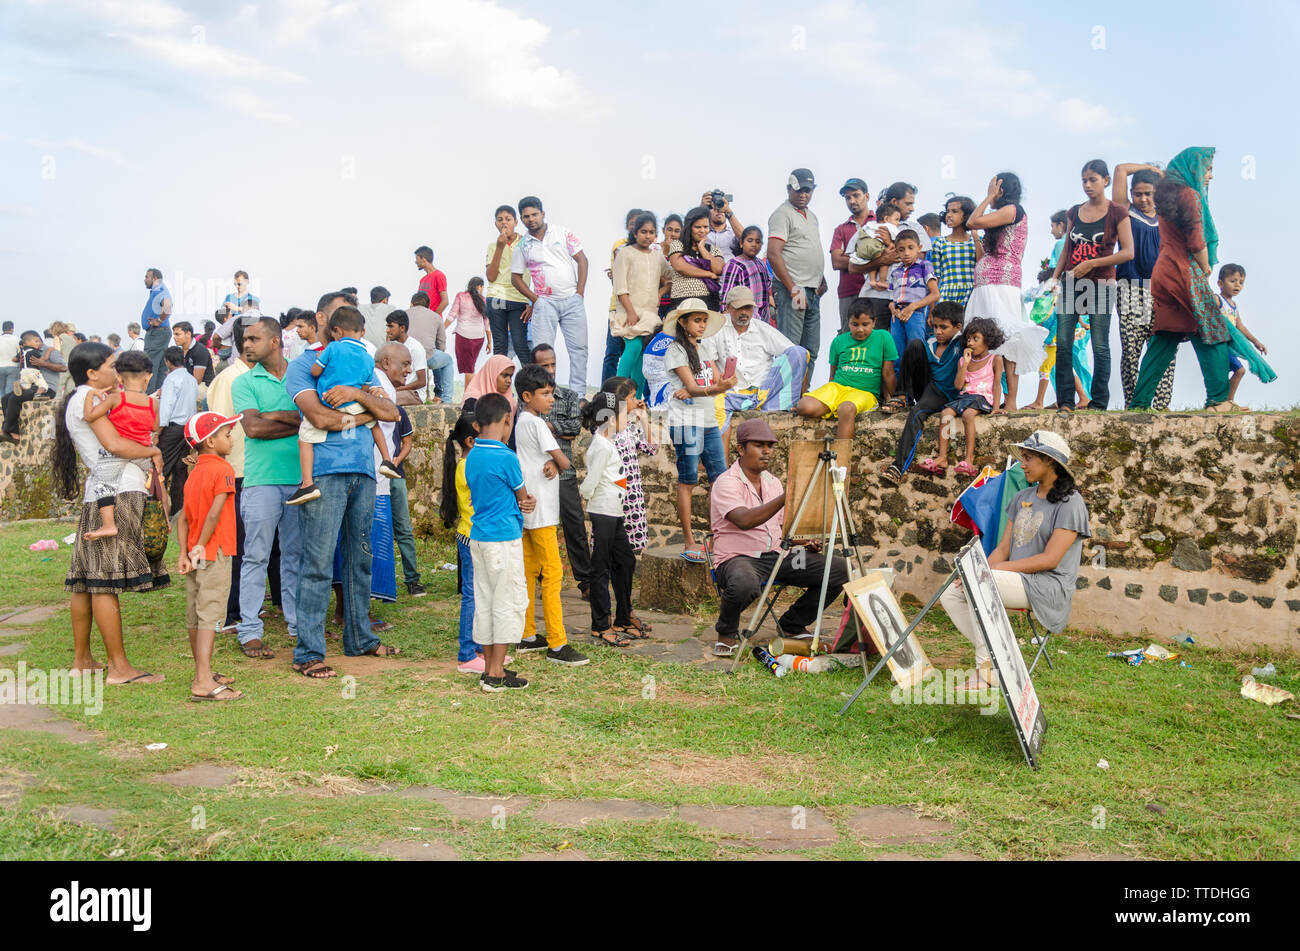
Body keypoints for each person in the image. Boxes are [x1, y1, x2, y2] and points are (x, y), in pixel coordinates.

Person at [287, 291, 402, 679]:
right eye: (338, 316)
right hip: (325, 473)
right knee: (318, 563)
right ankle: (308, 653)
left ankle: (360, 639)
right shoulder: (302, 367)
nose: (347, 327)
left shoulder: (360, 365)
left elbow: (392, 412)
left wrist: (355, 394)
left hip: (363, 473)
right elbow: (319, 418)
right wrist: (363, 413)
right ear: (323, 321)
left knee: (360, 557)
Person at [53, 342, 169, 686]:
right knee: (103, 581)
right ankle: (119, 668)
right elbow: (116, 445)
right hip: (120, 489)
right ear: (92, 373)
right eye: (110, 365)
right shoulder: (92, 401)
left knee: (87, 579)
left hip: (101, 492)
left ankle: (83, 660)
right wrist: (153, 450)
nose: (116, 371)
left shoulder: (86, 399)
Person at [939, 431, 1090, 692]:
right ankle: (1002, 654)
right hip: (1012, 579)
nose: (1022, 464)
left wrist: (990, 571)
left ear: (1050, 461)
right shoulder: (1022, 498)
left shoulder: (1071, 503)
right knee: (950, 593)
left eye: (1029, 458)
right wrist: (980, 569)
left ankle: (986, 671)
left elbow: (1050, 559)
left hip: (1048, 587)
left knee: (983, 582)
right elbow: (1003, 549)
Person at [709, 418, 850, 657]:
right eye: (759, 445)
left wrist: (803, 542)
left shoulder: (773, 482)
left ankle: (792, 624)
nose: (766, 451)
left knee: (839, 569)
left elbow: (782, 529)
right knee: (745, 582)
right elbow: (744, 520)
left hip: (778, 556)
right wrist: (789, 495)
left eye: (770, 446)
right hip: (738, 558)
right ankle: (727, 631)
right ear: (741, 449)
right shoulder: (726, 482)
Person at [1129, 147, 1236, 411]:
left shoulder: (1167, 195)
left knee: (1165, 337)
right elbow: (1197, 241)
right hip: (1184, 272)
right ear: (1193, 168)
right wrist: (1204, 268)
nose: (1210, 175)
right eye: (1207, 169)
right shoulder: (1190, 195)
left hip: (1163, 272)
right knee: (1212, 331)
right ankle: (1219, 400)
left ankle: (1140, 403)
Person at [231, 316, 302, 661]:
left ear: (274, 342)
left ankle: (297, 625)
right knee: (256, 556)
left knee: (295, 556)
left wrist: (273, 415)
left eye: (254, 339)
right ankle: (249, 630)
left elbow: (312, 419)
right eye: (245, 339)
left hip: (301, 479)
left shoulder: (300, 374)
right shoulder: (244, 382)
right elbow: (254, 429)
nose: (246, 345)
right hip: (261, 481)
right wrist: (294, 419)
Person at [513, 364, 589, 665]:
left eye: (552, 394)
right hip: (542, 510)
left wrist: (554, 463)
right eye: (545, 395)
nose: (551, 400)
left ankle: (528, 634)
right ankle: (557, 643)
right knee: (553, 574)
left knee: (530, 571)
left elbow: (550, 461)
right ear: (527, 396)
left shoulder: (522, 421)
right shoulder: (536, 423)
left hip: (532, 508)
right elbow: (564, 460)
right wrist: (558, 462)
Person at [291, 306, 401, 506]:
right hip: (357, 406)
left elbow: (315, 373)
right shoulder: (368, 358)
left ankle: (307, 484)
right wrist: (359, 397)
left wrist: (319, 364)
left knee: (305, 437)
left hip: (331, 403)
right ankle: (386, 460)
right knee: (374, 423)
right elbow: (368, 388)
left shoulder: (332, 348)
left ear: (337, 331)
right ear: (363, 332)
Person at [1049, 160, 1135, 412]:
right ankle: (1065, 401)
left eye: (1093, 179)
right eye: (1084, 180)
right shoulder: (1074, 212)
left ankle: (1098, 402)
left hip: (1101, 284)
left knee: (1099, 345)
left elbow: (1128, 252)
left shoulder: (1118, 212)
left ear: (1106, 180)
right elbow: (1068, 247)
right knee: (1063, 344)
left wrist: (1093, 263)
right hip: (1071, 283)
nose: (1088, 185)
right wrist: (1055, 278)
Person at [465, 392, 534, 691]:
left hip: (479, 536)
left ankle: (491, 666)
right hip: (503, 538)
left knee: (486, 602)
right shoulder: (507, 457)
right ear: (508, 419)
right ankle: (495, 673)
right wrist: (528, 502)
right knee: (507, 603)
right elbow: (523, 497)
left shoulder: (473, 455)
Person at [176, 410, 245, 701]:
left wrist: (186, 552)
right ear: (210, 442)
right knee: (210, 614)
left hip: (195, 553)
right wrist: (202, 546)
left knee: (196, 612)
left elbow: (181, 518)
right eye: (226, 435)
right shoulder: (223, 469)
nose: (231, 439)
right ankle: (203, 682)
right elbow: (215, 512)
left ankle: (201, 672)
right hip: (213, 551)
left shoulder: (194, 472)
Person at [965, 173, 1045, 411]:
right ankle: (987, 394)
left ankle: (1010, 400)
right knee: (986, 340)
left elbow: (972, 221)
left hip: (1001, 282)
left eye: (992, 186)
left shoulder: (1012, 209)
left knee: (1008, 340)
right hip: (986, 284)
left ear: (1001, 188)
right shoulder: (1002, 215)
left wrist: (990, 196)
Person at [663, 299, 734, 563]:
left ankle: (719, 535)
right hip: (686, 422)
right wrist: (712, 389)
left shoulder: (704, 349)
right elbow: (696, 386)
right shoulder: (676, 351)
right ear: (683, 322)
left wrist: (724, 382)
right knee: (688, 480)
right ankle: (689, 539)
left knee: (720, 479)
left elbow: (717, 381)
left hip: (707, 421)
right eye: (697, 320)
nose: (702, 325)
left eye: (704, 320)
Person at [510, 196, 589, 395]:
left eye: (535, 214)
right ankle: (545, 394)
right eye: (526, 216)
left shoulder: (562, 233)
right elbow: (515, 277)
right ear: (521, 219)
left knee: (579, 350)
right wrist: (536, 299)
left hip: (572, 299)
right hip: (545, 304)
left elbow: (582, 260)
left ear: (543, 214)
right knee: (542, 352)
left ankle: (578, 395)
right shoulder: (522, 245)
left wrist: (580, 293)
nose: (531, 219)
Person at [532, 344, 593, 601]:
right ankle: (538, 577)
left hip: (564, 472)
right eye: (544, 366)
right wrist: (558, 429)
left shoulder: (567, 396)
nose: (550, 370)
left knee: (575, 527)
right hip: (535, 474)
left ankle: (586, 582)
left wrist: (547, 425)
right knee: (537, 526)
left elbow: (574, 429)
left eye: (553, 364)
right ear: (535, 367)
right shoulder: (529, 396)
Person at [580, 379, 638, 649]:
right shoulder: (601, 446)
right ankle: (600, 625)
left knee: (625, 561)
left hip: (614, 513)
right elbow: (590, 483)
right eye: (624, 414)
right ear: (610, 419)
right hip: (603, 511)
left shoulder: (607, 443)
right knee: (600, 569)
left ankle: (623, 616)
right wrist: (592, 496)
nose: (627, 418)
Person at [79, 349, 158, 541]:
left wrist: (90, 396)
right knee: (156, 482)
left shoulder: (116, 399)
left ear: (119, 378)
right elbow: (155, 427)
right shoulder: (153, 403)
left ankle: (108, 525)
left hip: (117, 454)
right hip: (143, 453)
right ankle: (162, 514)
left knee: (102, 484)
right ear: (147, 378)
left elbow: (90, 416)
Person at [881, 301, 965, 484]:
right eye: (935, 326)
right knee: (914, 345)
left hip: (947, 393)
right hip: (929, 387)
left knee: (917, 412)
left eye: (944, 327)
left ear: (957, 327)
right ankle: (901, 396)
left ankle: (898, 466)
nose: (938, 331)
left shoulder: (963, 343)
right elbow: (918, 362)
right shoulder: (931, 342)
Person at [704, 286, 809, 431]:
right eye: (739, 308)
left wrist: (800, 396)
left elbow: (795, 355)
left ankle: (780, 403)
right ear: (728, 308)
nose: (744, 313)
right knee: (714, 403)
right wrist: (721, 384)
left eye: (748, 308)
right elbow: (708, 361)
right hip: (731, 393)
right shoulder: (717, 328)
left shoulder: (762, 328)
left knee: (799, 353)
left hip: (765, 392)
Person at [1112, 163, 1172, 409]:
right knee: (1132, 351)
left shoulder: (1167, 216)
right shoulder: (1125, 211)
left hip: (1162, 292)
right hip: (1130, 289)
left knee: (1163, 350)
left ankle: (1161, 403)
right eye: (1139, 194)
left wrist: (1161, 177)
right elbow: (1119, 170)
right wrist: (1150, 167)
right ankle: (1135, 403)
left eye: (1150, 193)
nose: (1144, 199)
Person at [206, 320, 252, 632]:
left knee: (250, 545)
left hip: (254, 470)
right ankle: (229, 611)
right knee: (233, 545)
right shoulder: (229, 379)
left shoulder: (254, 377)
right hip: (234, 471)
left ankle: (247, 606)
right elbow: (220, 429)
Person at [796, 301, 897, 440]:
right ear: (848, 323)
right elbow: (833, 374)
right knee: (803, 406)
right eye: (855, 324)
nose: (860, 329)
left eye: (865, 324)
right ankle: (831, 407)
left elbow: (888, 373)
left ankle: (841, 459)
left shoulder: (884, 337)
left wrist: (894, 398)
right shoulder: (839, 341)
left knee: (846, 409)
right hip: (838, 387)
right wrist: (827, 397)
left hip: (865, 393)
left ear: (874, 322)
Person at [920, 317, 1006, 477]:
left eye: (976, 339)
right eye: (968, 339)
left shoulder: (995, 359)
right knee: (945, 414)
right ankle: (942, 457)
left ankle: (969, 459)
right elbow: (958, 386)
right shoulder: (962, 360)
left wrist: (996, 408)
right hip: (964, 397)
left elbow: (996, 384)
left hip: (982, 398)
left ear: (988, 340)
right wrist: (965, 364)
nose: (971, 343)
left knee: (967, 415)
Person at [767, 168, 827, 379]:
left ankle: (802, 396)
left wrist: (821, 277)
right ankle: (785, 399)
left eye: (808, 190)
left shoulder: (812, 216)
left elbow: (809, 248)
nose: (804, 194)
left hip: (812, 288)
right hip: (795, 288)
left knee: (811, 348)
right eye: (799, 190)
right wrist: (793, 289)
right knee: (791, 347)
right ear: (789, 189)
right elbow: (773, 254)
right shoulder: (782, 214)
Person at [852, 182, 933, 330]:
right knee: (874, 346)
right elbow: (852, 267)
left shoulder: (915, 228)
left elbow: (918, 258)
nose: (912, 208)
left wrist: (890, 242)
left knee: (902, 349)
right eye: (908, 204)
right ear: (894, 202)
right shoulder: (869, 228)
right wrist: (881, 260)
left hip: (906, 300)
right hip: (874, 297)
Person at [440, 413, 483, 671]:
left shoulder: (466, 464)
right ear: (470, 441)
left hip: (471, 535)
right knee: (471, 596)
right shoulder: (468, 467)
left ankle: (478, 649)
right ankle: (467, 653)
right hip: (471, 537)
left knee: (478, 594)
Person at [613, 211, 672, 397]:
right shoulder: (625, 254)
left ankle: (635, 398)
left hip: (649, 313)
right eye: (644, 232)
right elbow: (620, 287)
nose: (648, 236)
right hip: (629, 311)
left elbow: (671, 277)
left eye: (652, 232)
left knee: (642, 357)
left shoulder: (657, 256)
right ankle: (616, 394)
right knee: (633, 347)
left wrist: (660, 293)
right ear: (635, 232)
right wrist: (630, 312)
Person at [884, 229, 940, 398]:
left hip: (915, 313)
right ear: (896, 251)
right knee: (897, 356)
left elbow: (935, 294)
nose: (906, 253)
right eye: (901, 249)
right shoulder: (896, 271)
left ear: (919, 247)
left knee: (916, 352)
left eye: (910, 248)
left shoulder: (924, 266)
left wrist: (913, 307)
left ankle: (920, 395)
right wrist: (893, 309)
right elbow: (891, 299)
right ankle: (902, 398)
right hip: (897, 316)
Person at [1216, 264, 1269, 405]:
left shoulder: (1234, 306)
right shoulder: (1217, 300)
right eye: (1232, 281)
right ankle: (1222, 401)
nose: (1237, 285)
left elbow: (1240, 327)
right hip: (1218, 344)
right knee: (1229, 372)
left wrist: (1256, 342)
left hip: (1230, 345)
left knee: (1239, 371)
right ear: (1220, 283)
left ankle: (1228, 401)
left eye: (1241, 282)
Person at [0, 331, 65, 442]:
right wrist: (22, 363)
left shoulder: (50, 351)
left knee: (15, 398)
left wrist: (44, 363)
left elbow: (63, 368)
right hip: (31, 385)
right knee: (5, 398)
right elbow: (24, 371)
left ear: (37, 339)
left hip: (46, 388)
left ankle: (11, 431)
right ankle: (10, 431)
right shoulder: (29, 351)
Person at [602, 208, 644, 381]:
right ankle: (607, 391)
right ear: (628, 226)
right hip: (618, 307)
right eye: (632, 223)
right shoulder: (619, 245)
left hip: (641, 307)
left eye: (639, 224)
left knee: (636, 354)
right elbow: (619, 280)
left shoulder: (650, 249)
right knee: (612, 352)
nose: (635, 227)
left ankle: (632, 394)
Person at [485, 204, 530, 359]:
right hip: (497, 298)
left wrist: (532, 302)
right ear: (495, 224)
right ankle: (500, 382)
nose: (504, 223)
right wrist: (499, 247)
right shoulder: (493, 246)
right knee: (500, 345)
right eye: (500, 220)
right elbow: (491, 277)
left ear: (516, 222)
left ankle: (533, 383)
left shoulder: (527, 243)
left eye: (508, 219)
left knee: (520, 344)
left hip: (519, 299)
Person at [157, 345, 198, 513]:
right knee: (180, 471)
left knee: (161, 469)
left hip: (173, 428)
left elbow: (165, 409)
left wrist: (157, 432)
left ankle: (158, 510)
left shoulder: (171, 379)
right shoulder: (191, 379)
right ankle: (178, 511)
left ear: (168, 362)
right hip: (187, 429)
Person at [829, 177, 873, 332]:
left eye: (856, 195)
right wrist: (871, 258)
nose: (852, 200)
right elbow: (836, 262)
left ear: (866, 196)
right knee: (848, 337)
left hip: (877, 291)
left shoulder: (879, 223)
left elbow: (890, 256)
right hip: (849, 292)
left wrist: (852, 261)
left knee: (877, 337)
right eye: (848, 197)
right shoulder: (841, 229)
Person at [667, 206, 724, 312]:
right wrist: (709, 274)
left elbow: (718, 269)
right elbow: (680, 267)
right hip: (682, 303)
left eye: (706, 227)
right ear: (689, 228)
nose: (702, 231)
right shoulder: (678, 245)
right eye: (698, 227)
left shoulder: (713, 250)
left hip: (708, 303)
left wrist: (702, 248)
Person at [930, 195, 982, 308]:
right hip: (946, 295)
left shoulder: (977, 240)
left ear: (967, 215)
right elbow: (936, 277)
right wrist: (932, 308)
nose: (949, 215)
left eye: (954, 211)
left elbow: (982, 265)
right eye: (947, 211)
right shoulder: (940, 243)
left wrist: (976, 237)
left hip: (972, 295)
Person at [718, 225, 775, 328]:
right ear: (741, 243)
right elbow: (727, 296)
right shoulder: (734, 265)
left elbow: (767, 285)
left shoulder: (761, 263)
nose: (754, 245)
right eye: (750, 241)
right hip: (744, 316)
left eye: (758, 242)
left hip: (763, 317)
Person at [406, 292, 454, 403]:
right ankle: (446, 399)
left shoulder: (404, 314)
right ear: (428, 305)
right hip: (427, 357)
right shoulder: (436, 317)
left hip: (406, 357)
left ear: (411, 303)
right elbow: (442, 345)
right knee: (447, 360)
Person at [445, 277, 491, 388]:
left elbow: (452, 315)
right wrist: (489, 342)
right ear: (479, 286)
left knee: (469, 368)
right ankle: (468, 395)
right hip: (479, 337)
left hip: (463, 335)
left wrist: (441, 329)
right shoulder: (483, 300)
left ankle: (469, 395)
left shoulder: (461, 296)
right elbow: (487, 323)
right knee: (470, 367)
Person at [384, 310, 428, 406]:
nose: (387, 330)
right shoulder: (392, 345)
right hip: (396, 390)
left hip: (413, 393)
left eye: (391, 326)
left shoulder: (415, 347)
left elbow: (422, 381)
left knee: (387, 400)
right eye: (387, 326)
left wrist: (397, 389)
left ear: (402, 328)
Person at [141, 268, 173, 393]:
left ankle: (148, 397)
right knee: (159, 367)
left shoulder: (160, 290)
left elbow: (168, 306)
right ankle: (156, 396)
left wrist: (158, 320)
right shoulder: (156, 291)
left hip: (157, 332)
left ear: (154, 278)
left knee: (150, 365)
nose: (145, 280)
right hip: (159, 332)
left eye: (147, 277)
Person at [867, 594, 916, 669]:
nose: (883, 616)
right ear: (876, 617)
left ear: (887, 610)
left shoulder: (904, 634)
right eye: (878, 613)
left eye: (883, 610)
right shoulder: (887, 645)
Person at [172, 321, 215, 390]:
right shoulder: (179, 352)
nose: (174, 337)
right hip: (188, 385)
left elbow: (197, 380)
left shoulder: (200, 350)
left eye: (177, 334)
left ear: (188, 334)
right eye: (174, 334)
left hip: (204, 387)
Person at [703, 189, 743, 262]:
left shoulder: (733, 232)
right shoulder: (702, 231)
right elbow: (687, 235)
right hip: (706, 270)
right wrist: (701, 209)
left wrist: (729, 212)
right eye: (713, 206)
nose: (718, 210)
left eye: (721, 205)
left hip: (729, 270)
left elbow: (746, 238)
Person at [414, 245, 449, 316]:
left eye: (417, 259)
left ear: (423, 259)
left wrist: (433, 318)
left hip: (432, 321)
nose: (415, 262)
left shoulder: (439, 275)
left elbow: (445, 301)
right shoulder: (422, 280)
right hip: (421, 319)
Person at [360, 286, 397, 352]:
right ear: (385, 300)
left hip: (363, 348)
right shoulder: (391, 309)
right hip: (381, 351)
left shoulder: (360, 308)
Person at [0, 320, 17, 397]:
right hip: (13, 367)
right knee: (9, 391)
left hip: (0, 367)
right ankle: (7, 407)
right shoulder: (17, 339)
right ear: (12, 329)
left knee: (1, 390)